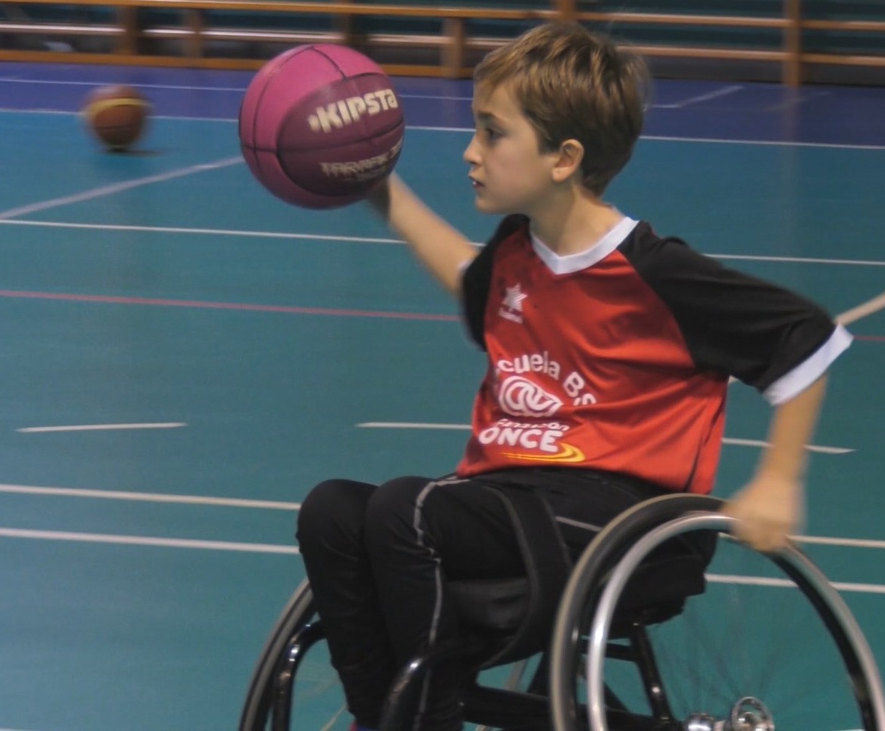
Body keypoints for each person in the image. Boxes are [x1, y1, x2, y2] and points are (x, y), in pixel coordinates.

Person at [294, 21, 852, 731]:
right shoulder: (517, 253)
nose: (470, 152)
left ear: (564, 158)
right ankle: (388, 714)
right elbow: (473, 283)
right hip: (508, 495)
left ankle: (424, 716)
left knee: (406, 507)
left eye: (492, 133)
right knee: (333, 511)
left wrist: (779, 479)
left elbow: (807, 339)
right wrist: (384, 192)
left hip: (620, 507)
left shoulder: (655, 273)